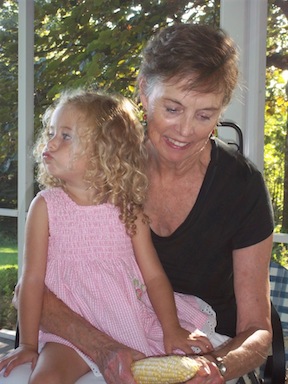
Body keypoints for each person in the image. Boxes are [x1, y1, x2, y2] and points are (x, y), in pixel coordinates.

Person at [1, 22, 274, 384]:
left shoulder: (242, 187)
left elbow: (258, 328)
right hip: (89, 337)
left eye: (204, 115)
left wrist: (218, 367)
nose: (185, 130)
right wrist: (102, 348)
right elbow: (31, 287)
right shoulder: (102, 170)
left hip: (198, 345)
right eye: (173, 109)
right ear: (145, 92)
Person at [0, 88, 228, 384]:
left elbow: (154, 277)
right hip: (68, 336)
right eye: (51, 132)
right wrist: (28, 345)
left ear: (102, 151)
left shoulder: (127, 209)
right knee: (44, 380)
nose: (51, 143)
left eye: (66, 136)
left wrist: (171, 328)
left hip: (128, 325)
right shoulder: (46, 206)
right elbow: (30, 281)